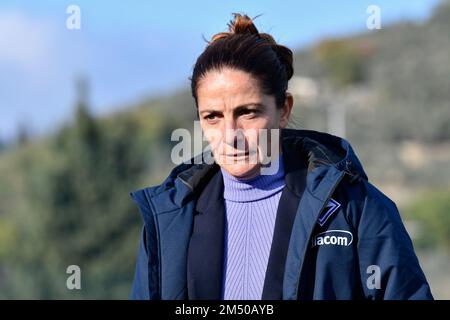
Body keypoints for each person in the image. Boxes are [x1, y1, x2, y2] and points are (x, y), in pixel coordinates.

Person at [129, 13, 433, 300]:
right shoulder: (168, 218)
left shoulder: (357, 209)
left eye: (247, 112)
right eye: (212, 117)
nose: (230, 134)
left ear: (284, 109)